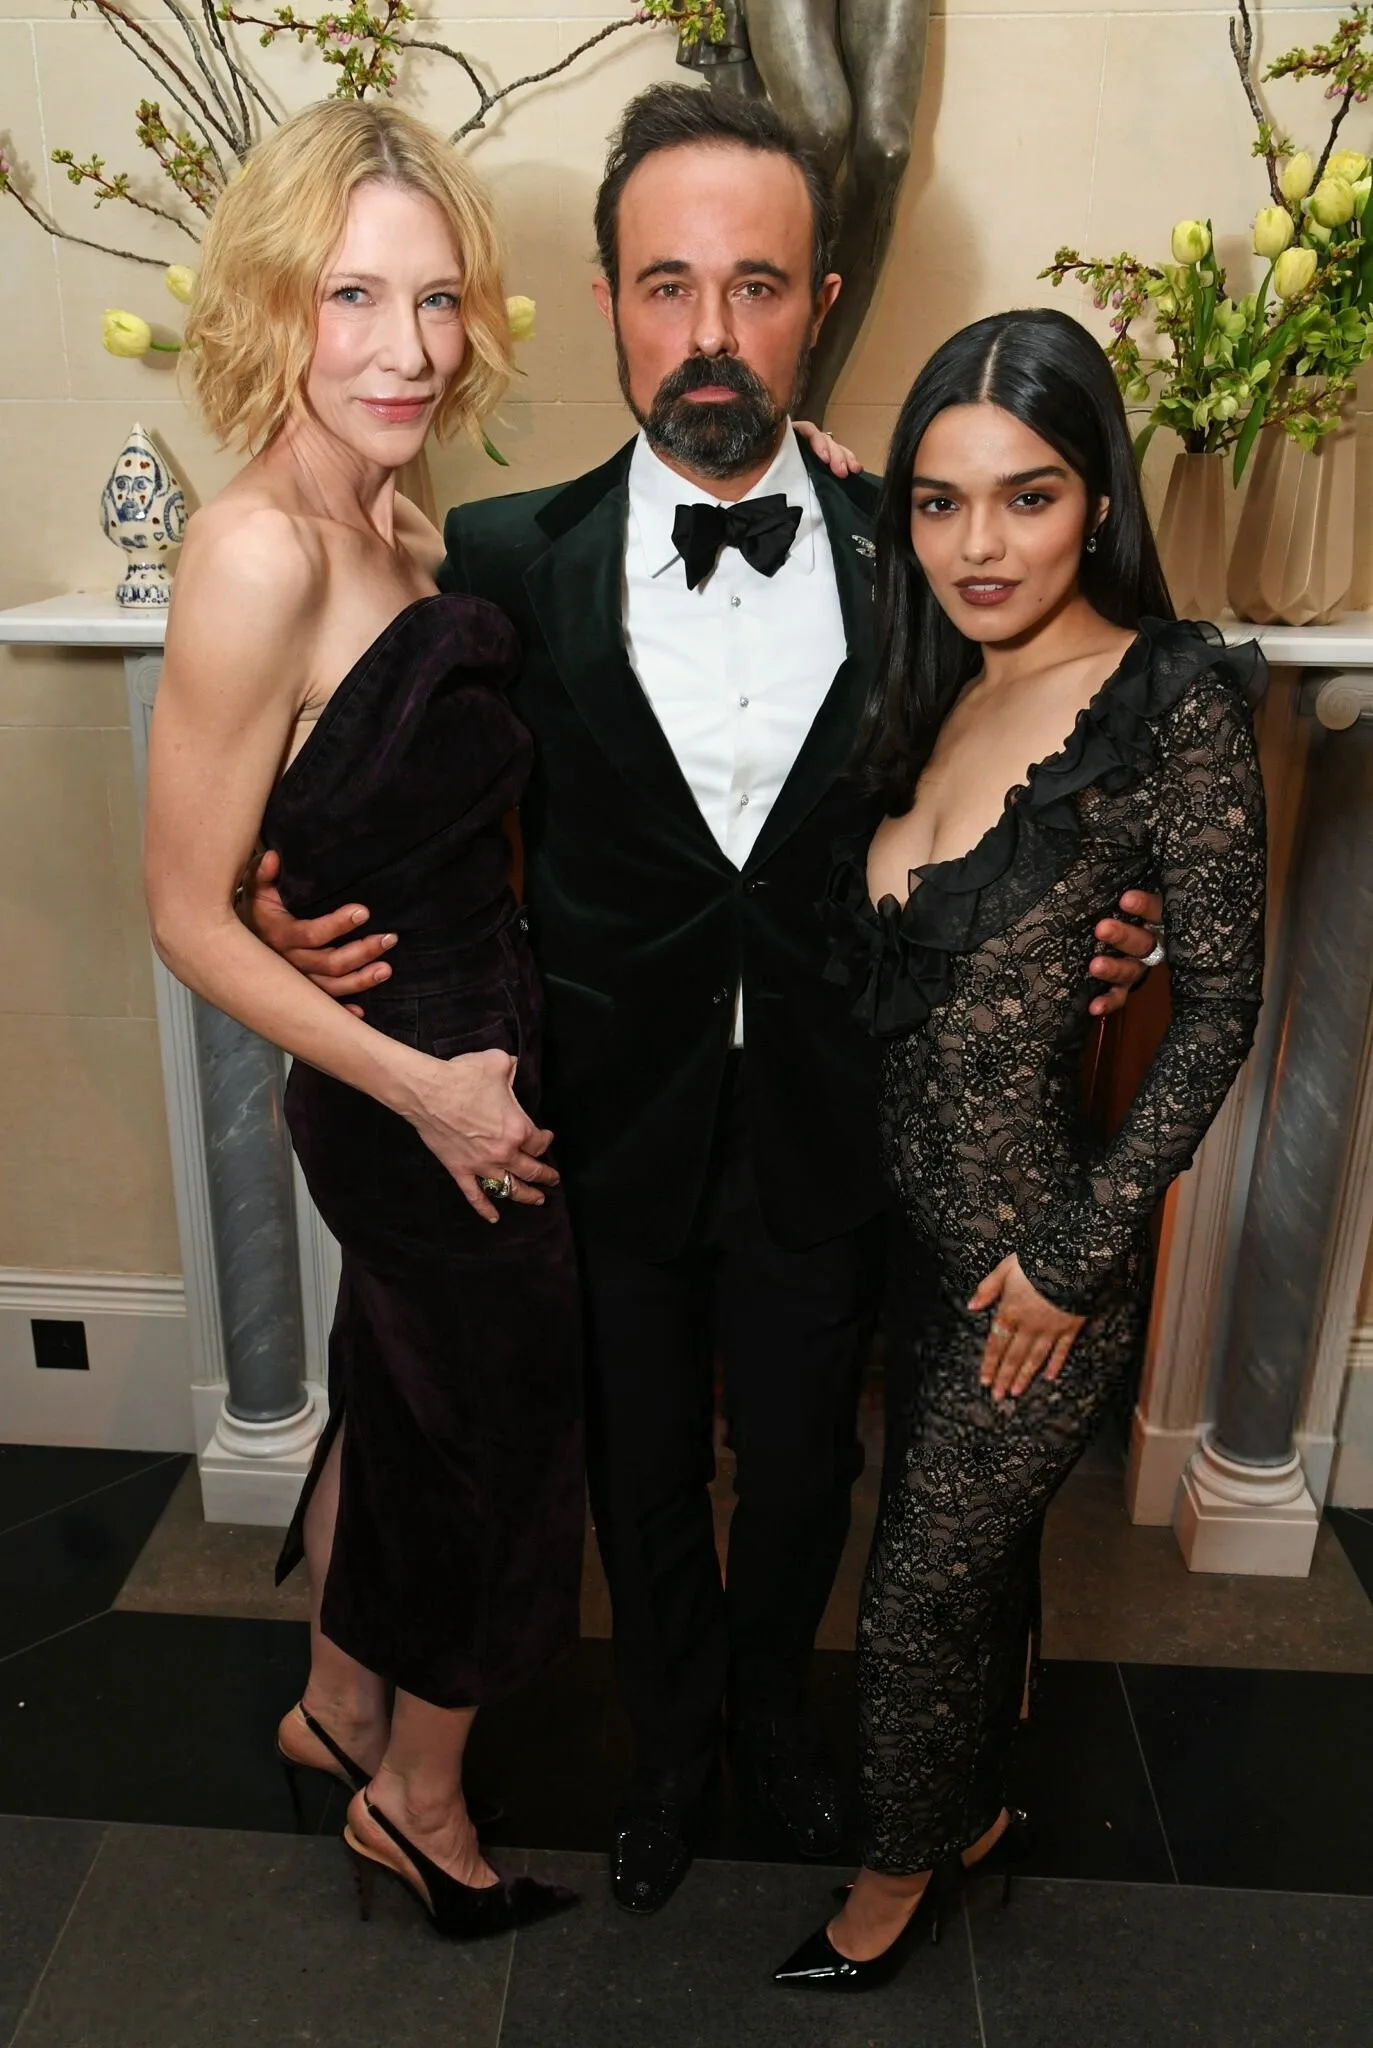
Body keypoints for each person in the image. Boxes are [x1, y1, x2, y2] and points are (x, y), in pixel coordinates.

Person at [249, 85, 1163, 1918]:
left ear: (821, 303)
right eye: (667, 285)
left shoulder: (918, 553)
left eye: (756, 286)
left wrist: (1114, 926)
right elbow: (389, 788)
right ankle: (667, 1750)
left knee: (809, 1464)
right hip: (600, 1109)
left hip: (835, 1106)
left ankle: (771, 1718)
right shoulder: (498, 556)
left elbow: (1035, 753)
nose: (711, 331)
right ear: (607, 300)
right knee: (639, 1464)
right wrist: (284, 903)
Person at [773, 307, 1267, 1991]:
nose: (979, 543)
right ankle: (970, 1810)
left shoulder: (1168, 703)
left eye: (1029, 495)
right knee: (960, 1578)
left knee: (917, 1591)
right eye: (940, 501)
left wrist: (1072, 1255)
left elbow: (1220, 1010)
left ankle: (892, 1877)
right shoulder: (933, 684)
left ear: (1100, 499)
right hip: (911, 1249)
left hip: (1036, 1274)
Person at [143, 100, 582, 1941]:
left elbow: (345, 804)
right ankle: (420, 1802)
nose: (408, 348)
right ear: (273, 304)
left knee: (407, 1405)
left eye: (439, 298)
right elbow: (182, 909)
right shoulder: (259, 550)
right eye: (352, 297)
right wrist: (434, 1096)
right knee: (505, 1443)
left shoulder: (397, 517)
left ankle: (337, 1708)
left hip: (463, 1045)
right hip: (416, 1092)